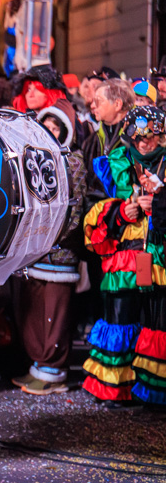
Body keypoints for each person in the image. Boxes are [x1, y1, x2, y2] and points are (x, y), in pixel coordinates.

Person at [82, 106, 166, 408]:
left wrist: (158, 202)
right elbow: (93, 204)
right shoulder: (113, 164)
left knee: (158, 322)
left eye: (153, 138)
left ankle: (155, 392)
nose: (147, 144)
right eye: (140, 139)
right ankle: (118, 389)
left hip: (161, 256)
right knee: (120, 318)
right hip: (126, 258)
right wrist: (120, 212)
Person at [11, 104, 88, 395]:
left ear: (66, 132)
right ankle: (40, 366)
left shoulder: (75, 162)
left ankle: (54, 372)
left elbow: (74, 211)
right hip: (35, 249)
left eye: (56, 128)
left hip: (60, 250)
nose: (51, 132)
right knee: (34, 313)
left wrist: (52, 237)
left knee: (54, 315)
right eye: (47, 126)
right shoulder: (32, 156)